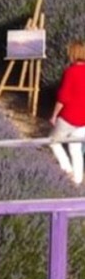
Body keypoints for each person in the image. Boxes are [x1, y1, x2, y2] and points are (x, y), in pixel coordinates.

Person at [49, 42, 85, 184]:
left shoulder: (70, 72)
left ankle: (67, 170)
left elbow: (63, 97)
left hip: (69, 116)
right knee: (75, 147)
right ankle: (77, 180)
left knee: (53, 141)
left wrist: (54, 115)